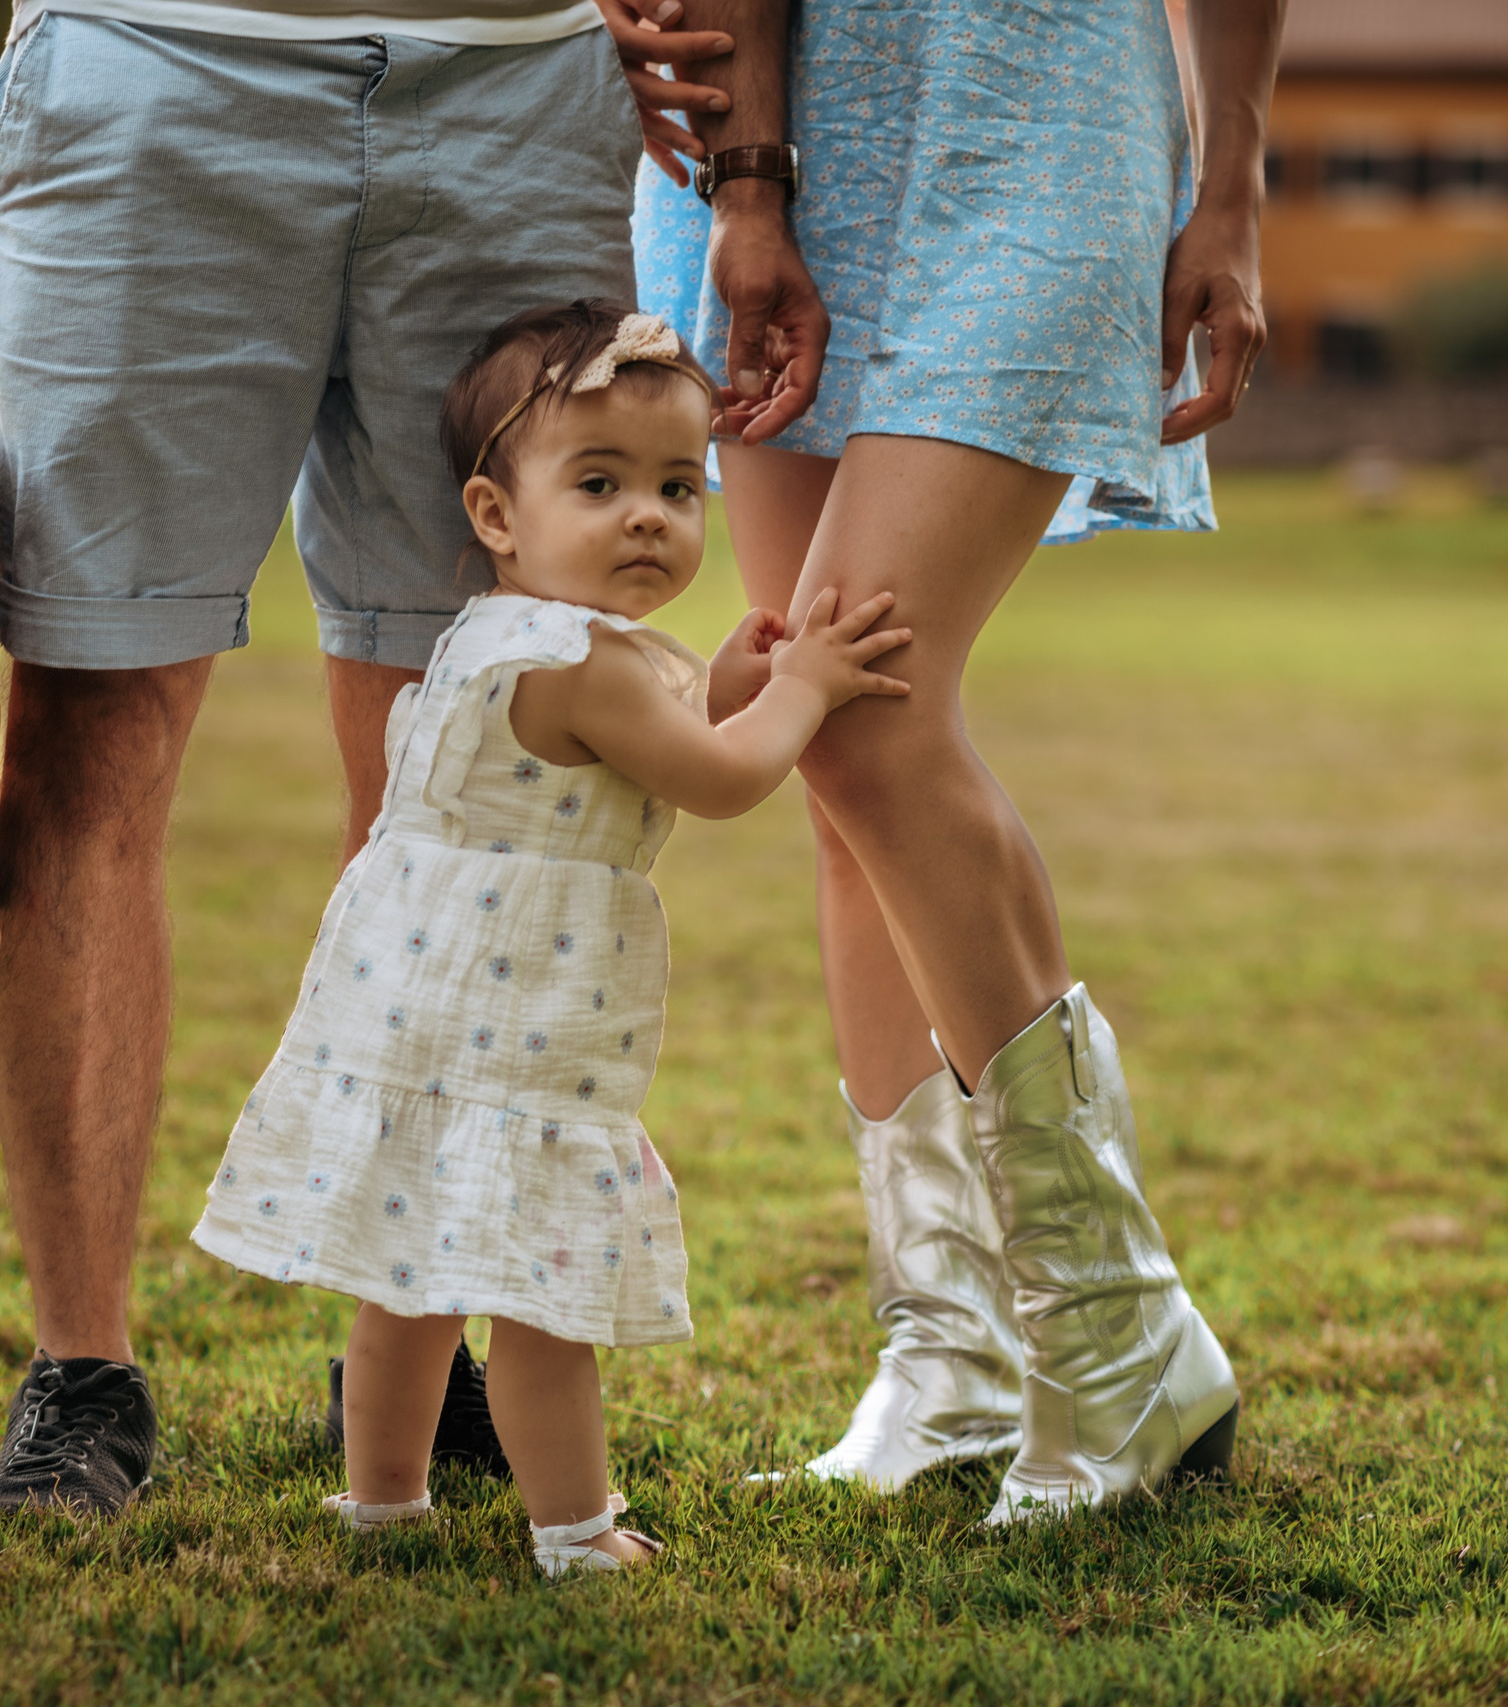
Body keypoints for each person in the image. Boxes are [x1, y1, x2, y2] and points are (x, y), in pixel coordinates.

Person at [0, 0, 821, 1513]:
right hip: (150, 70)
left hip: (518, 92)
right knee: (88, 733)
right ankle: (81, 1375)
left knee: (474, 754)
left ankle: (416, 1328)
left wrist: (751, 171)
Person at [627, 0, 1285, 1519]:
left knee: (861, 707)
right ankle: (956, 1349)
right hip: (770, 129)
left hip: (1035, 109)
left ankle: (1120, 1335)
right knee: (834, 753)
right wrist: (750, 182)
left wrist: (1232, 185)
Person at [191, 301, 913, 1573]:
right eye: (600, 482)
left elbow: (659, 732)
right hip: (518, 1024)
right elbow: (721, 777)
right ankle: (574, 1535)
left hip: (418, 1000)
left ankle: (383, 1503)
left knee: (408, 1279)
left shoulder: (500, 632)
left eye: (679, 487)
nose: (649, 515)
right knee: (543, 1289)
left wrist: (734, 682)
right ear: (496, 514)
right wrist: (799, 691)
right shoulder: (583, 662)